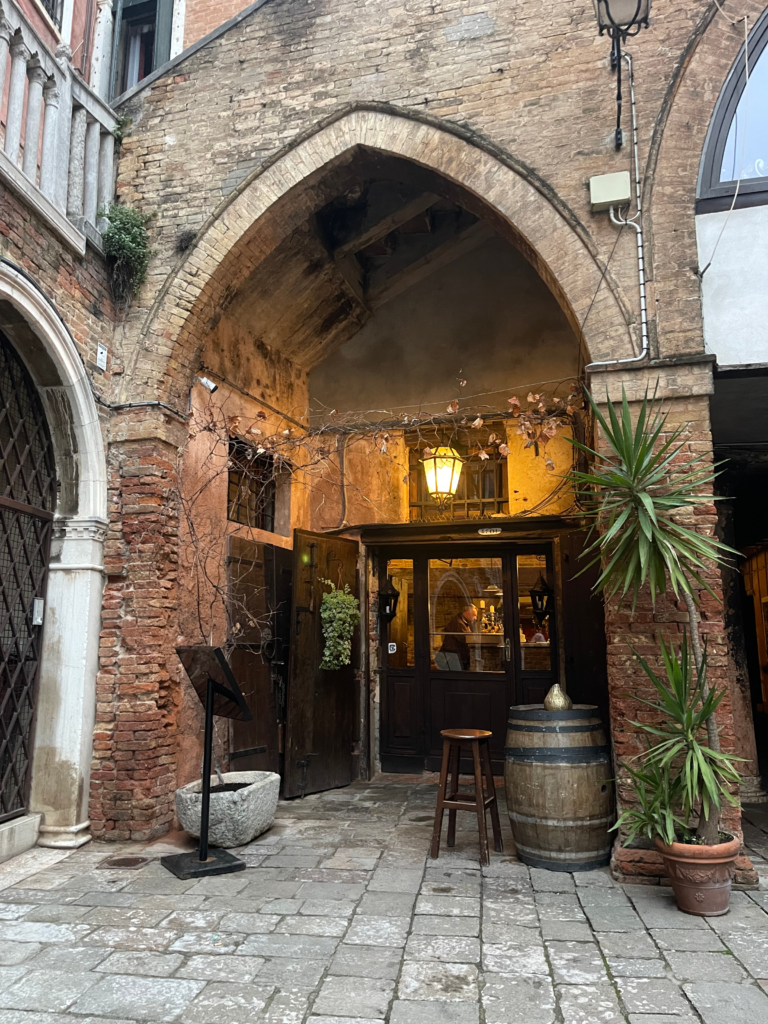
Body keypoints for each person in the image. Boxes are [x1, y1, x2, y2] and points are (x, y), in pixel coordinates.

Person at [439, 603, 477, 671]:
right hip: (454, 656)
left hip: (454, 655)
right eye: (474, 615)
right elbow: (466, 639)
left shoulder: (462, 621)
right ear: (468, 613)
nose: (475, 618)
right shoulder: (459, 623)